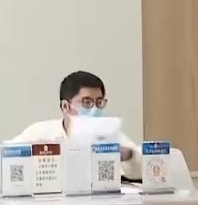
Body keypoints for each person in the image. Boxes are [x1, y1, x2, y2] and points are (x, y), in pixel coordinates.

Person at [11, 70, 143, 178]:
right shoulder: (40, 133)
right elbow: (7, 157)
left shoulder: (111, 136)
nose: (94, 109)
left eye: (99, 102)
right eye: (87, 102)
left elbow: (145, 169)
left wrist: (129, 156)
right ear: (65, 107)